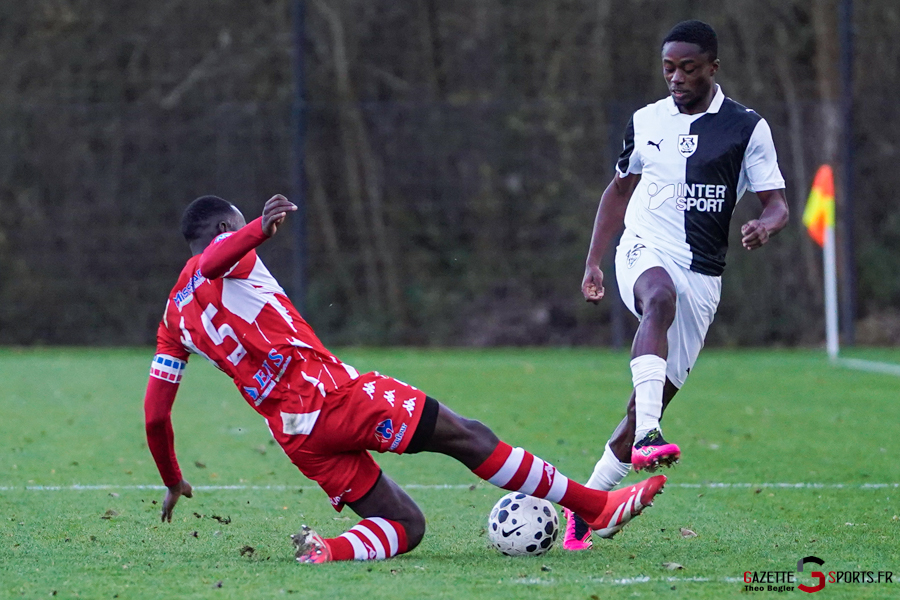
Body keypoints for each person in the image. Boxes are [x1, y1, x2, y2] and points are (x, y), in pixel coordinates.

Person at [144, 194, 666, 563]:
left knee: (405, 527)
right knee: (471, 436)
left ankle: (327, 550)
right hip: (334, 398)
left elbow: (155, 414)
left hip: (296, 435)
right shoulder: (232, 255)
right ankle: (594, 506)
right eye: (234, 228)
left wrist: (172, 478)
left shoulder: (172, 317)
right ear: (222, 232)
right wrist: (255, 228)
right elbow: (211, 263)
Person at [562, 20, 789, 551]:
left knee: (648, 399)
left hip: (704, 275)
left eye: (688, 68)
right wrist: (594, 261)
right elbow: (618, 191)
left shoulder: (746, 127)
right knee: (656, 299)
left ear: (713, 66)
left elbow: (776, 201)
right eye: (669, 67)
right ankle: (648, 438)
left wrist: (767, 224)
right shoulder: (645, 121)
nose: (677, 77)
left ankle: (586, 509)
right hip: (645, 249)